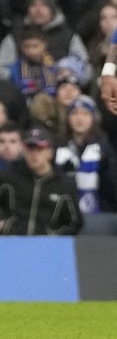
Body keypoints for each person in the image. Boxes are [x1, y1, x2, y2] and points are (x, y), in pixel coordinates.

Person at [0, 127, 80, 235]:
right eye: (30, 149)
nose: (34, 154)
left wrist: (55, 237)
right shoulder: (9, 176)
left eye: (40, 149)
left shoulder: (64, 184)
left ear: (50, 152)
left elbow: (74, 222)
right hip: (12, 242)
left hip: (47, 247)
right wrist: (2, 225)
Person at [54, 95, 117, 234]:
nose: (79, 118)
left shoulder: (104, 146)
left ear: (94, 118)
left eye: (85, 113)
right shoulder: (58, 146)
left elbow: (112, 184)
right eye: (74, 113)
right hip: (64, 216)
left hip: (100, 216)